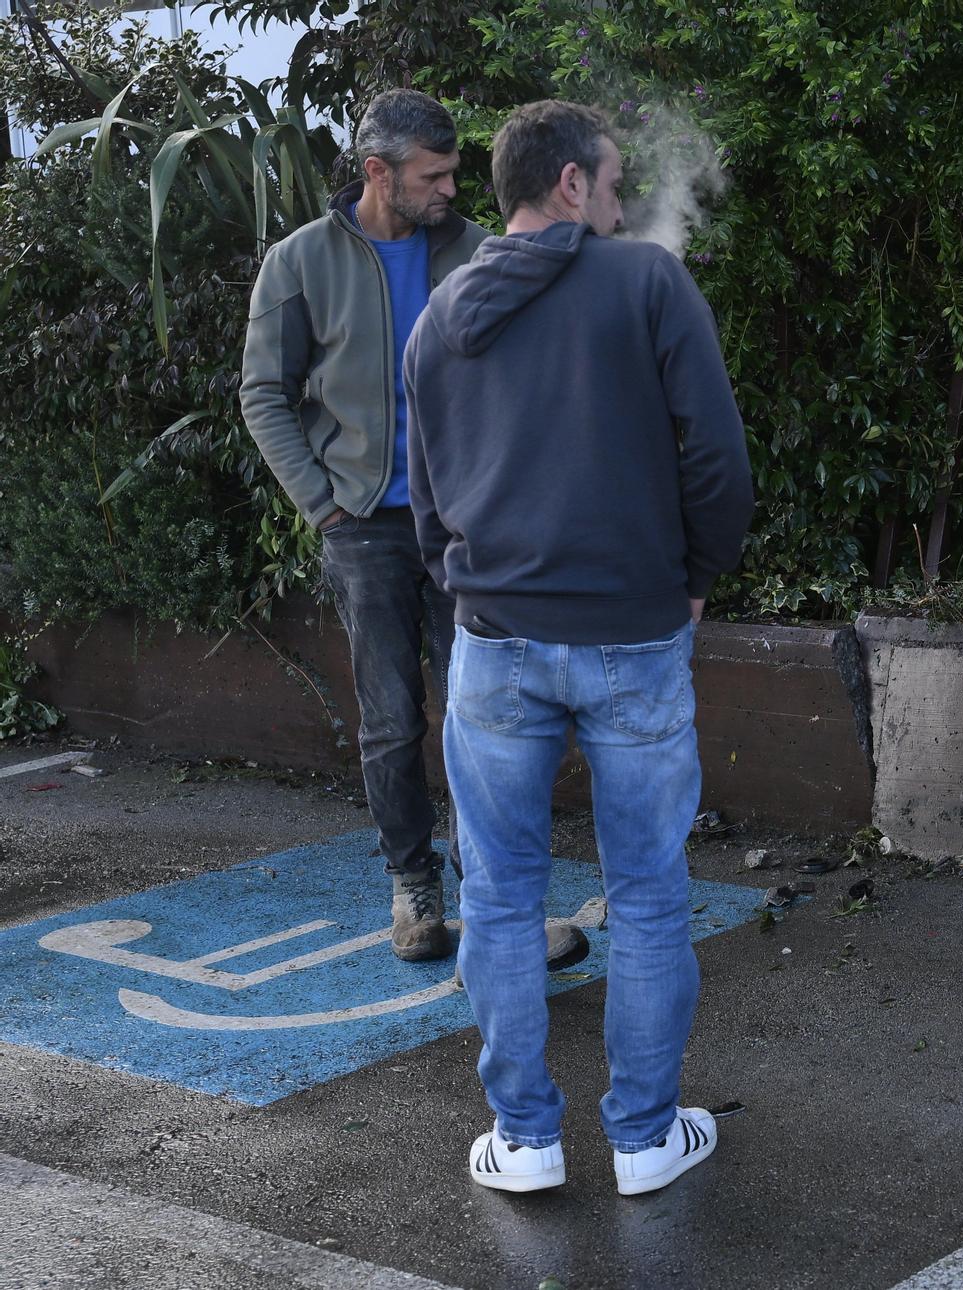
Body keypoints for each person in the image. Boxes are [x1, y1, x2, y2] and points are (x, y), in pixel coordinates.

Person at [404, 100, 754, 1194]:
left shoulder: (437, 317)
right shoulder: (645, 282)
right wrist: (695, 579)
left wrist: (476, 592)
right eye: (607, 184)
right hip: (632, 638)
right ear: (567, 185)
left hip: (492, 646)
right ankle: (646, 1141)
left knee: (500, 899)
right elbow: (717, 459)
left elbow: (427, 507)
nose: (616, 202)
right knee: (647, 894)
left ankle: (526, 1141)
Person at [240, 88, 584, 969]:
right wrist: (322, 501)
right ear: (377, 173)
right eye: (432, 175)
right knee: (392, 720)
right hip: (363, 526)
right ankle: (414, 891)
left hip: (465, 524)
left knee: (491, 718)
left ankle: (501, 904)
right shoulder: (299, 262)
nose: (449, 188)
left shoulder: (475, 249)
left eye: (453, 171)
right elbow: (263, 394)